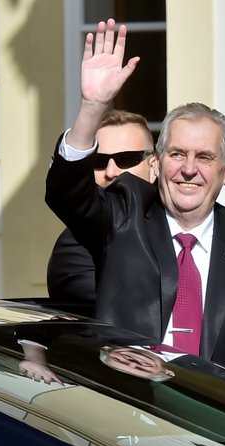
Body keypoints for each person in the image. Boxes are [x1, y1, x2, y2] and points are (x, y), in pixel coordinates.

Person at [45, 19, 225, 396]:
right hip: (123, 426)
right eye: (177, 154)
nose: (188, 169)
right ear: (158, 161)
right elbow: (66, 193)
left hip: (217, 437)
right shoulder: (124, 214)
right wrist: (92, 108)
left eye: (204, 157)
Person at [47, 109, 158, 308]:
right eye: (99, 161)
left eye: (126, 159)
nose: (111, 172)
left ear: (154, 167)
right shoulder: (75, 243)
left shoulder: (177, 227)